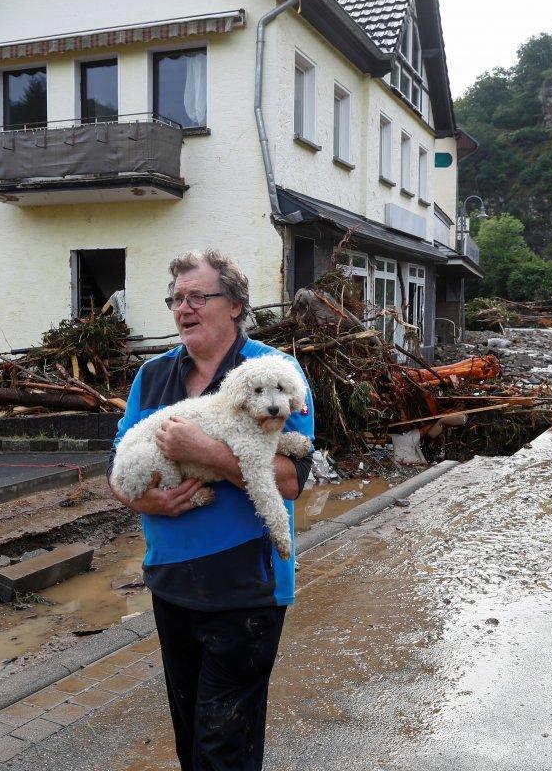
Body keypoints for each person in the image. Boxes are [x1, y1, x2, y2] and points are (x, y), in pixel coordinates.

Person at [108, 249, 314, 771]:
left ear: (236, 305)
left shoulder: (273, 373)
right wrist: (142, 499)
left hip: (246, 588)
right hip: (171, 583)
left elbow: (291, 481)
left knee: (224, 750)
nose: (184, 308)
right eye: (177, 299)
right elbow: (117, 470)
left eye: (198, 296)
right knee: (191, 742)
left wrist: (205, 452)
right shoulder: (151, 376)